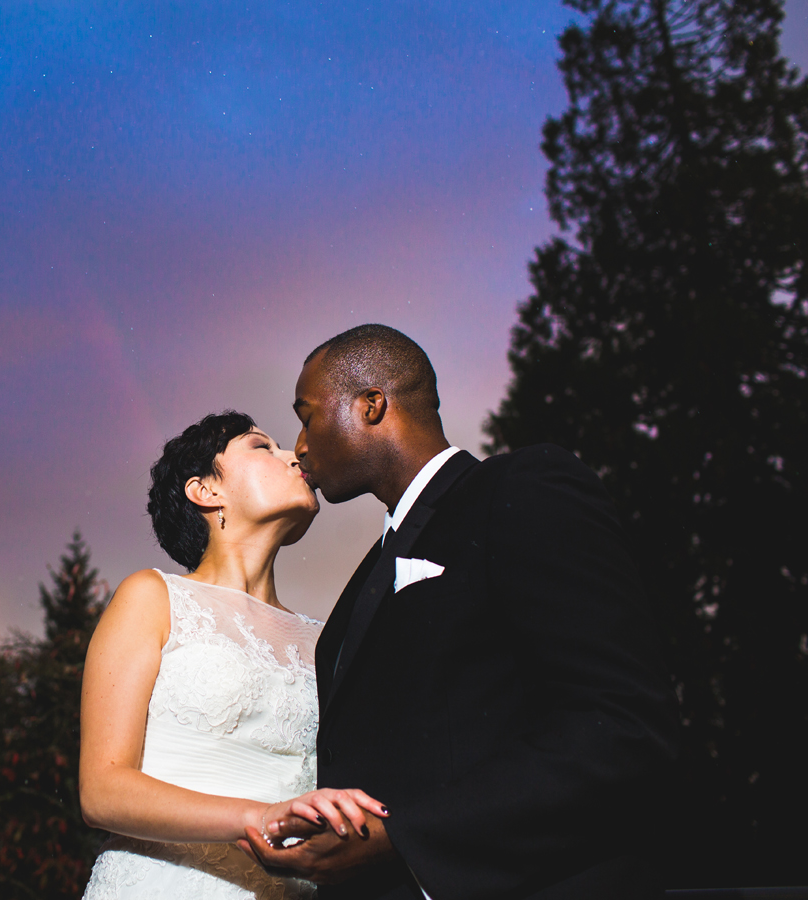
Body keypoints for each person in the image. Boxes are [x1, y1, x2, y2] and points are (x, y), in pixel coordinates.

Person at [240, 325, 680, 899]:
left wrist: (400, 837)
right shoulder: (363, 583)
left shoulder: (522, 489)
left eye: (308, 415)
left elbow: (622, 727)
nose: (299, 445)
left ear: (372, 404)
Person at [80, 411, 388, 899]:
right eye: (261, 447)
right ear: (205, 491)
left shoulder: (328, 639)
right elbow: (102, 790)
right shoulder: (153, 597)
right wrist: (256, 818)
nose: (294, 456)